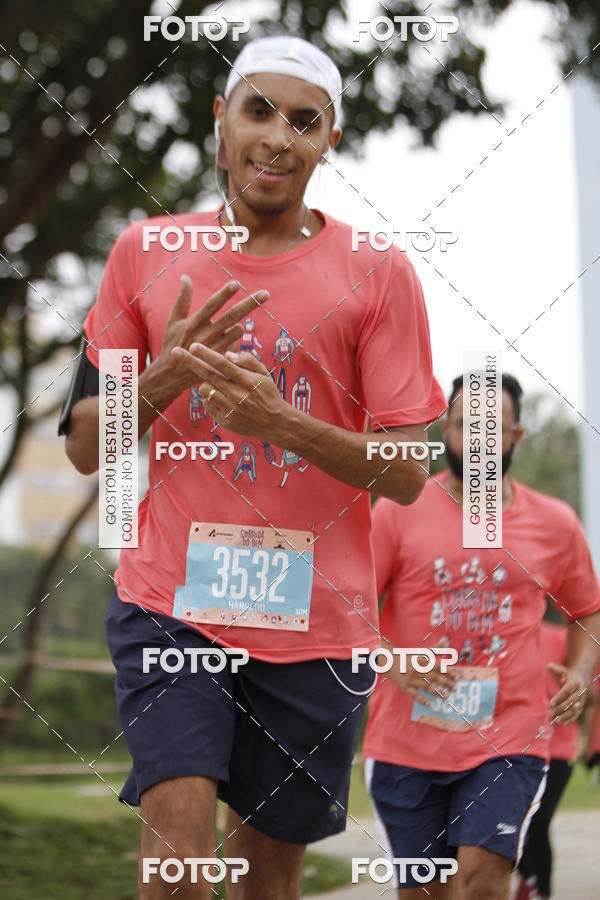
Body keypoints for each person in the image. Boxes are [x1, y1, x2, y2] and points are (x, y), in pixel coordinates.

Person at [60, 35, 446, 900]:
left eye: (305, 121)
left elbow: (409, 470)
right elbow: (88, 447)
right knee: (179, 861)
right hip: (171, 605)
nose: (279, 135)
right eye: (259, 109)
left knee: (264, 883)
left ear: (329, 140)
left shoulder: (377, 272)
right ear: (220, 120)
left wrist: (280, 420)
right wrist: (169, 374)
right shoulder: (145, 253)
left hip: (316, 628)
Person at [363, 373, 600, 900]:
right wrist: (390, 660)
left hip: (509, 737)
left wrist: (581, 676)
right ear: (445, 430)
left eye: (494, 429)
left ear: (515, 439)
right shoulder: (398, 511)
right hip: (407, 743)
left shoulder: (555, 524)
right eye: (467, 426)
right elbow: (348, 606)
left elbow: (587, 610)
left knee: (484, 878)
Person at [514, 619, 581, 900]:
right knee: (513, 822)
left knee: (539, 823)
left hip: (557, 751)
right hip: (514, 748)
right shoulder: (506, 634)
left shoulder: (565, 636)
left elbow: (590, 690)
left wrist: (568, 696)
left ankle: (543, 890)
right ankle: (527, 877)